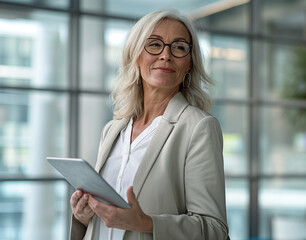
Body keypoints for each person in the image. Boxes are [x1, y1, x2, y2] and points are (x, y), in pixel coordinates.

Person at [69, 9, 229, 240]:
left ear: (189, 65)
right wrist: (83, 216)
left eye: (179, 47)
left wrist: (147, 223)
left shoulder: (199, 127)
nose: (166, 55)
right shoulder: (113, 129)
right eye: (154, 44)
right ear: (135, 55)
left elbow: (214, 230)